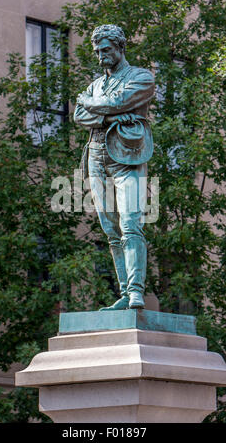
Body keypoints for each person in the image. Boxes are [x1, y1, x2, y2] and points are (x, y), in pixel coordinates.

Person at [74, 24, 154, 310]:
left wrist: (93, 105)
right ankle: (124, 293)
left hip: (126, 157)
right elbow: (78, 115)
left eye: (106, 50)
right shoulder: (96, 85)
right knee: (110, 230)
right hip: (95, 154)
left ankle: (136, 291)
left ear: (121, 47)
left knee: (131, 223)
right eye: (97, 51)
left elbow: (120, 100)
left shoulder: (142, 77)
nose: (100, 56)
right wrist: (108, 116)